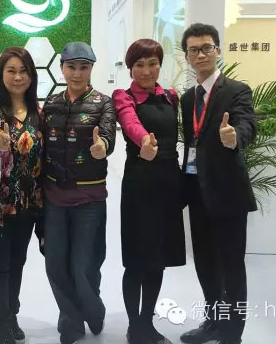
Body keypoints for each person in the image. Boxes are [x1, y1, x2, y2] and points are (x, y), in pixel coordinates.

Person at [178, 23, 257, 344]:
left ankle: (232, 334)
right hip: (197, 192)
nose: (201, 54)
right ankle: (213, 321)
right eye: (194, 50)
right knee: (206, 263)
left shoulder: (236, 90)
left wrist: (234, 136)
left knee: (231, 266)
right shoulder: (188, 98)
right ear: (187, 56)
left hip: (228, 193)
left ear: (218, 50)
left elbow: (248, 123)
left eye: (207, 48)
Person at [42, 42, 116, 344]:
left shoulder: (103, 103)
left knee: (84, 265)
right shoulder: (51, 104)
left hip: (89, 201)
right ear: (62, 68)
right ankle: (70, 322)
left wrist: (102, 146)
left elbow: (108, 135)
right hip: (54, 200)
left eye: (83, 67)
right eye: (71, 67)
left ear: (91, 69)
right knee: (55, 265)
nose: (77, 73)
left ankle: (93, 310)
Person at [113, 39, 186, 344]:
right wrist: (144, 140)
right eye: (139, 64)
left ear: (160, 65)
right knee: (136, 260)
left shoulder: (171, 96)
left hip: (168, 183)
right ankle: (135, 326)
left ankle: (147, 323)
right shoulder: (124, 96)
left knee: (158, 259)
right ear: (130, 68)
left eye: (152, 63)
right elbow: (129, 122)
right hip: (139, 183)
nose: (146, 71)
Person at [0, 47, 44, 344]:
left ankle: (12, 315)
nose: (18, 77)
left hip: (28, 204)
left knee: (17, 263)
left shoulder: (38, 112)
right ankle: (1, 323)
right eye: (11, 71)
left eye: (23, 71)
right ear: (1, 75)